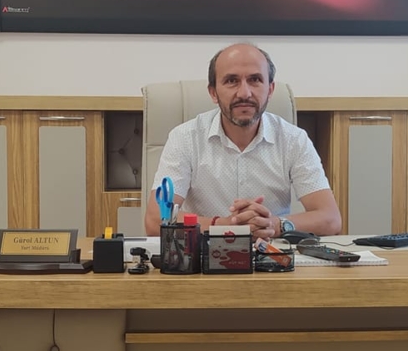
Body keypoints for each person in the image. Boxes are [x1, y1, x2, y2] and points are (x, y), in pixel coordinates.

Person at [144, 43, 342, 240]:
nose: (244, 93)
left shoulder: (293, 140)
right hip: (204, 254)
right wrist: (226, 226)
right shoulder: (185, 138)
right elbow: (155, 220)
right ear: (213, 92)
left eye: (255, 80)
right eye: (232, 81)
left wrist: (274, 225)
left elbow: (331, 219)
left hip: (272, 253)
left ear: (270, 89)